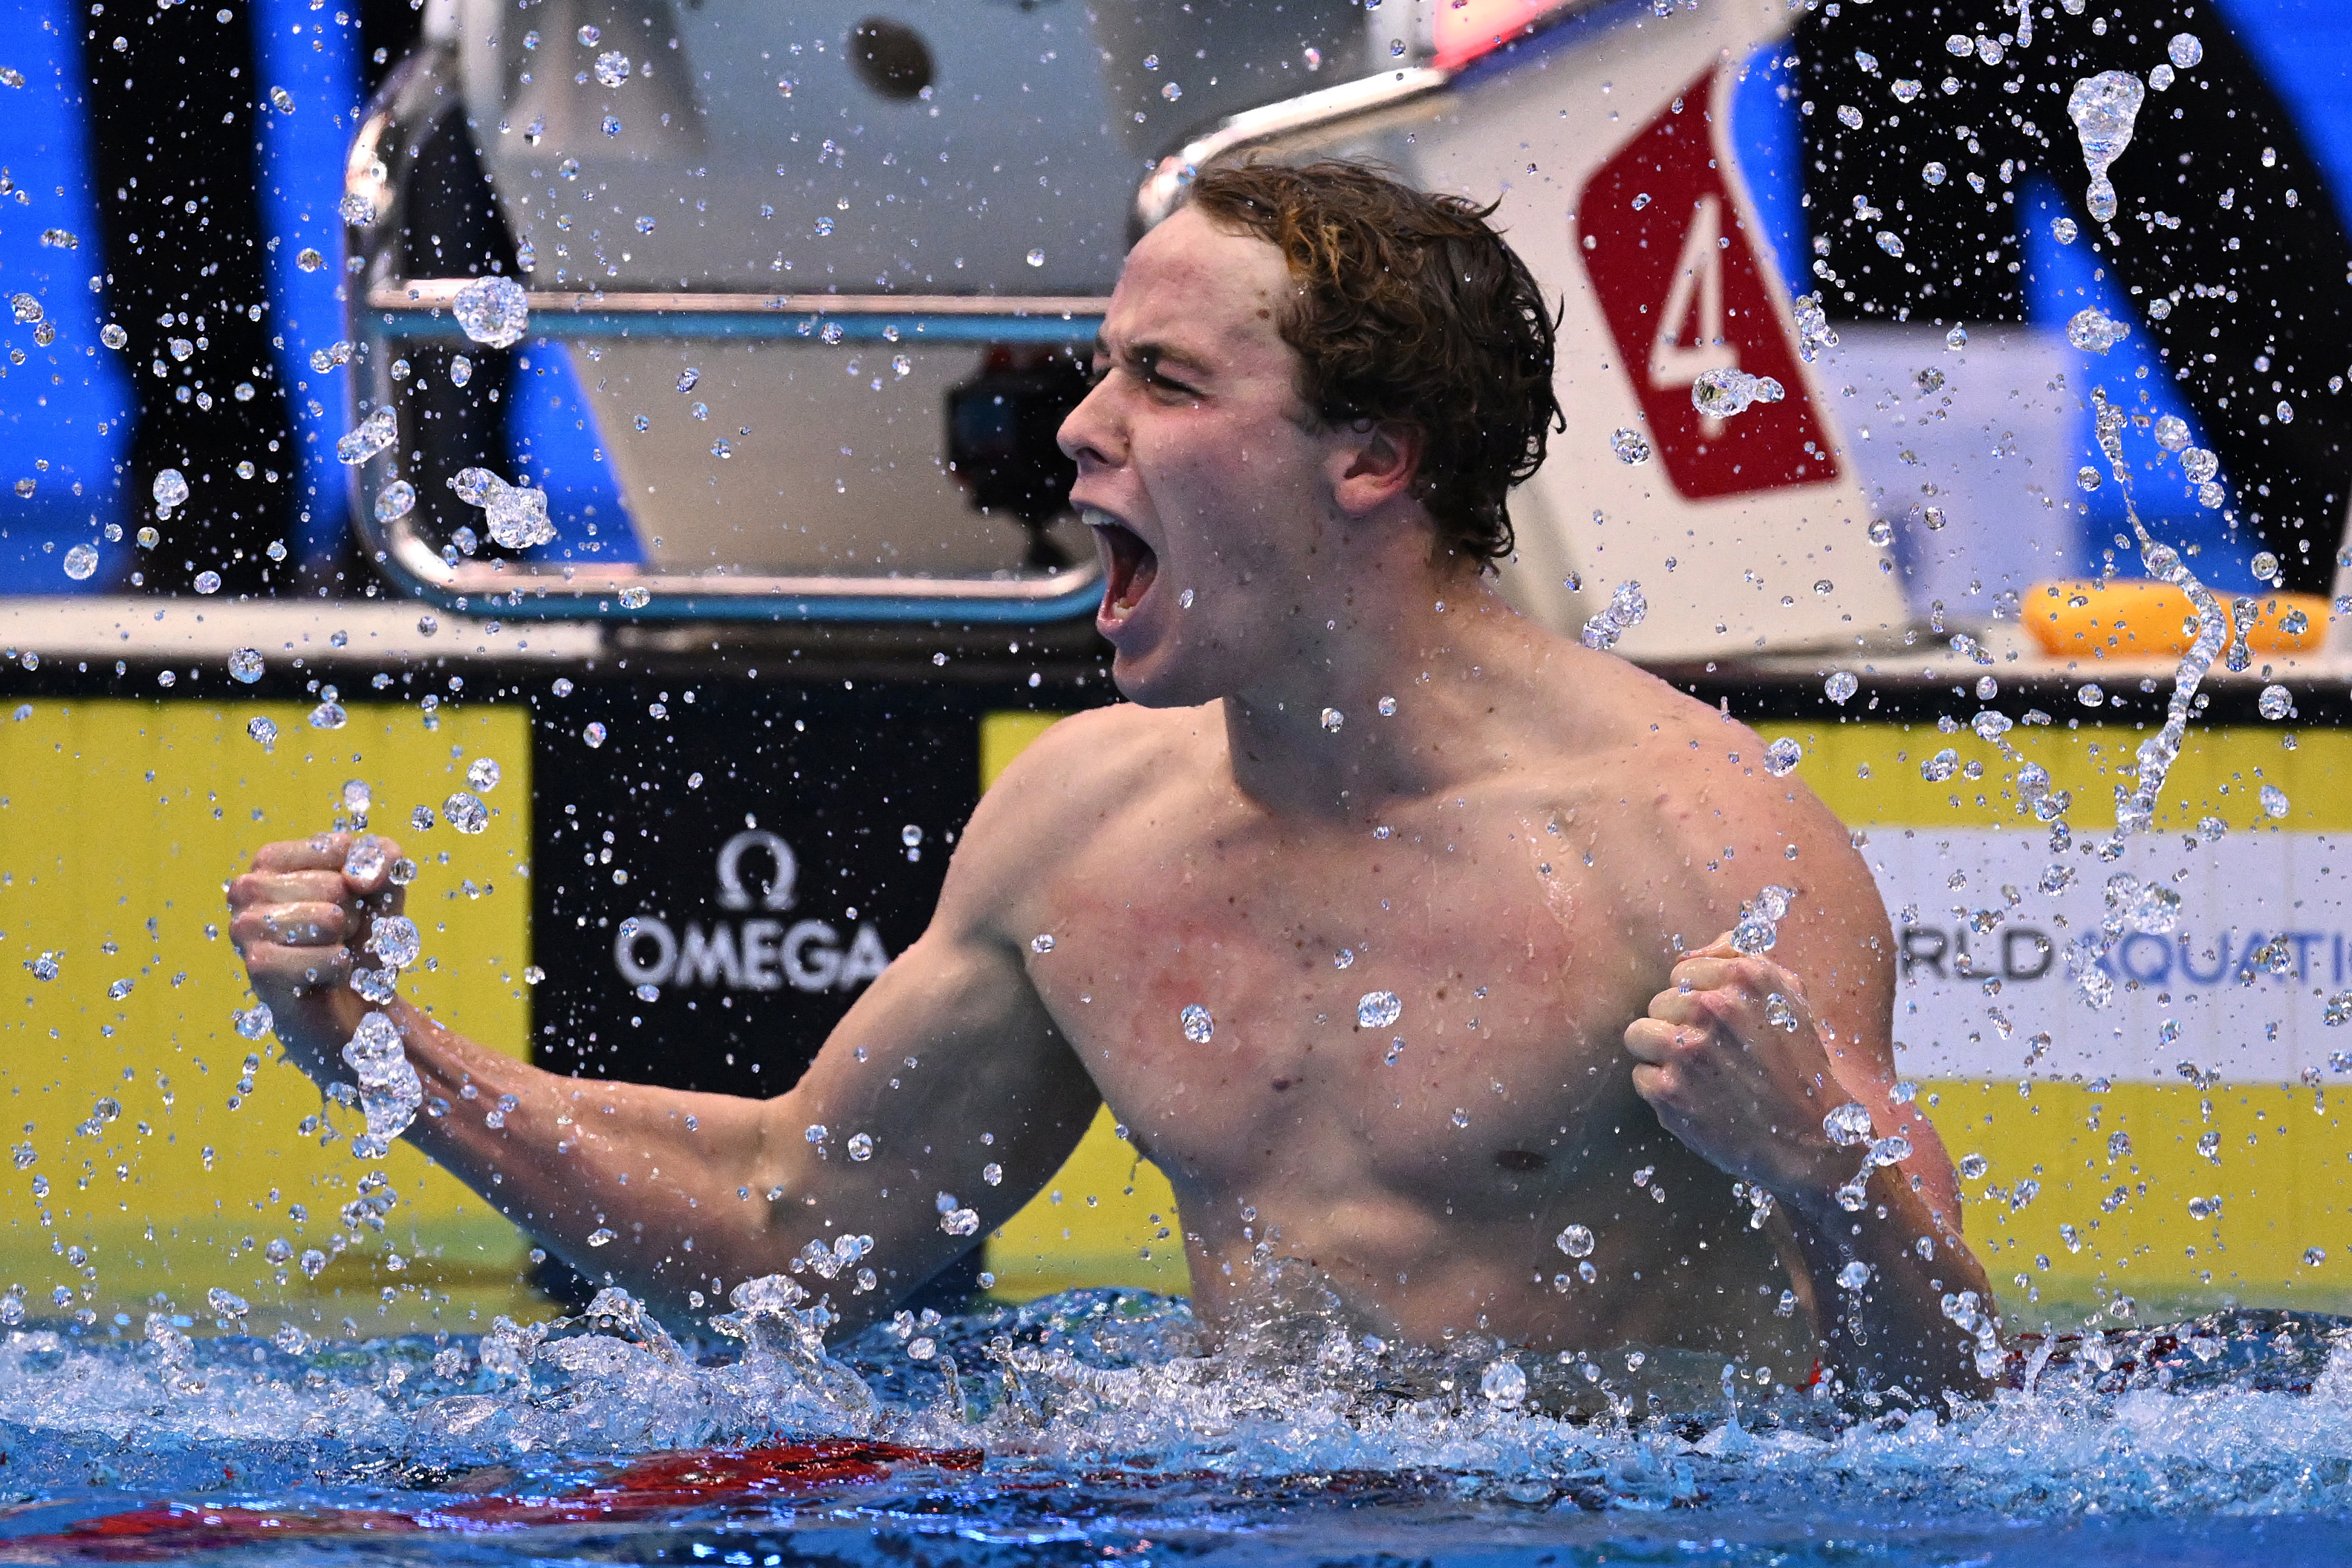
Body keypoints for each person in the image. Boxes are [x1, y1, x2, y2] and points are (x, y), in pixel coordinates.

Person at [230, 162, 1993, 1397]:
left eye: (1162, 379)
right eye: (1102, 369)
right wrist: (385, 1052)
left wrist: (1832, 1178)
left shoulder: (1688, 852)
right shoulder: (1090, 822)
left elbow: (1953, 1419)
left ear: (1370, 458)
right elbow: (790, 1238)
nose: (1079, 428)